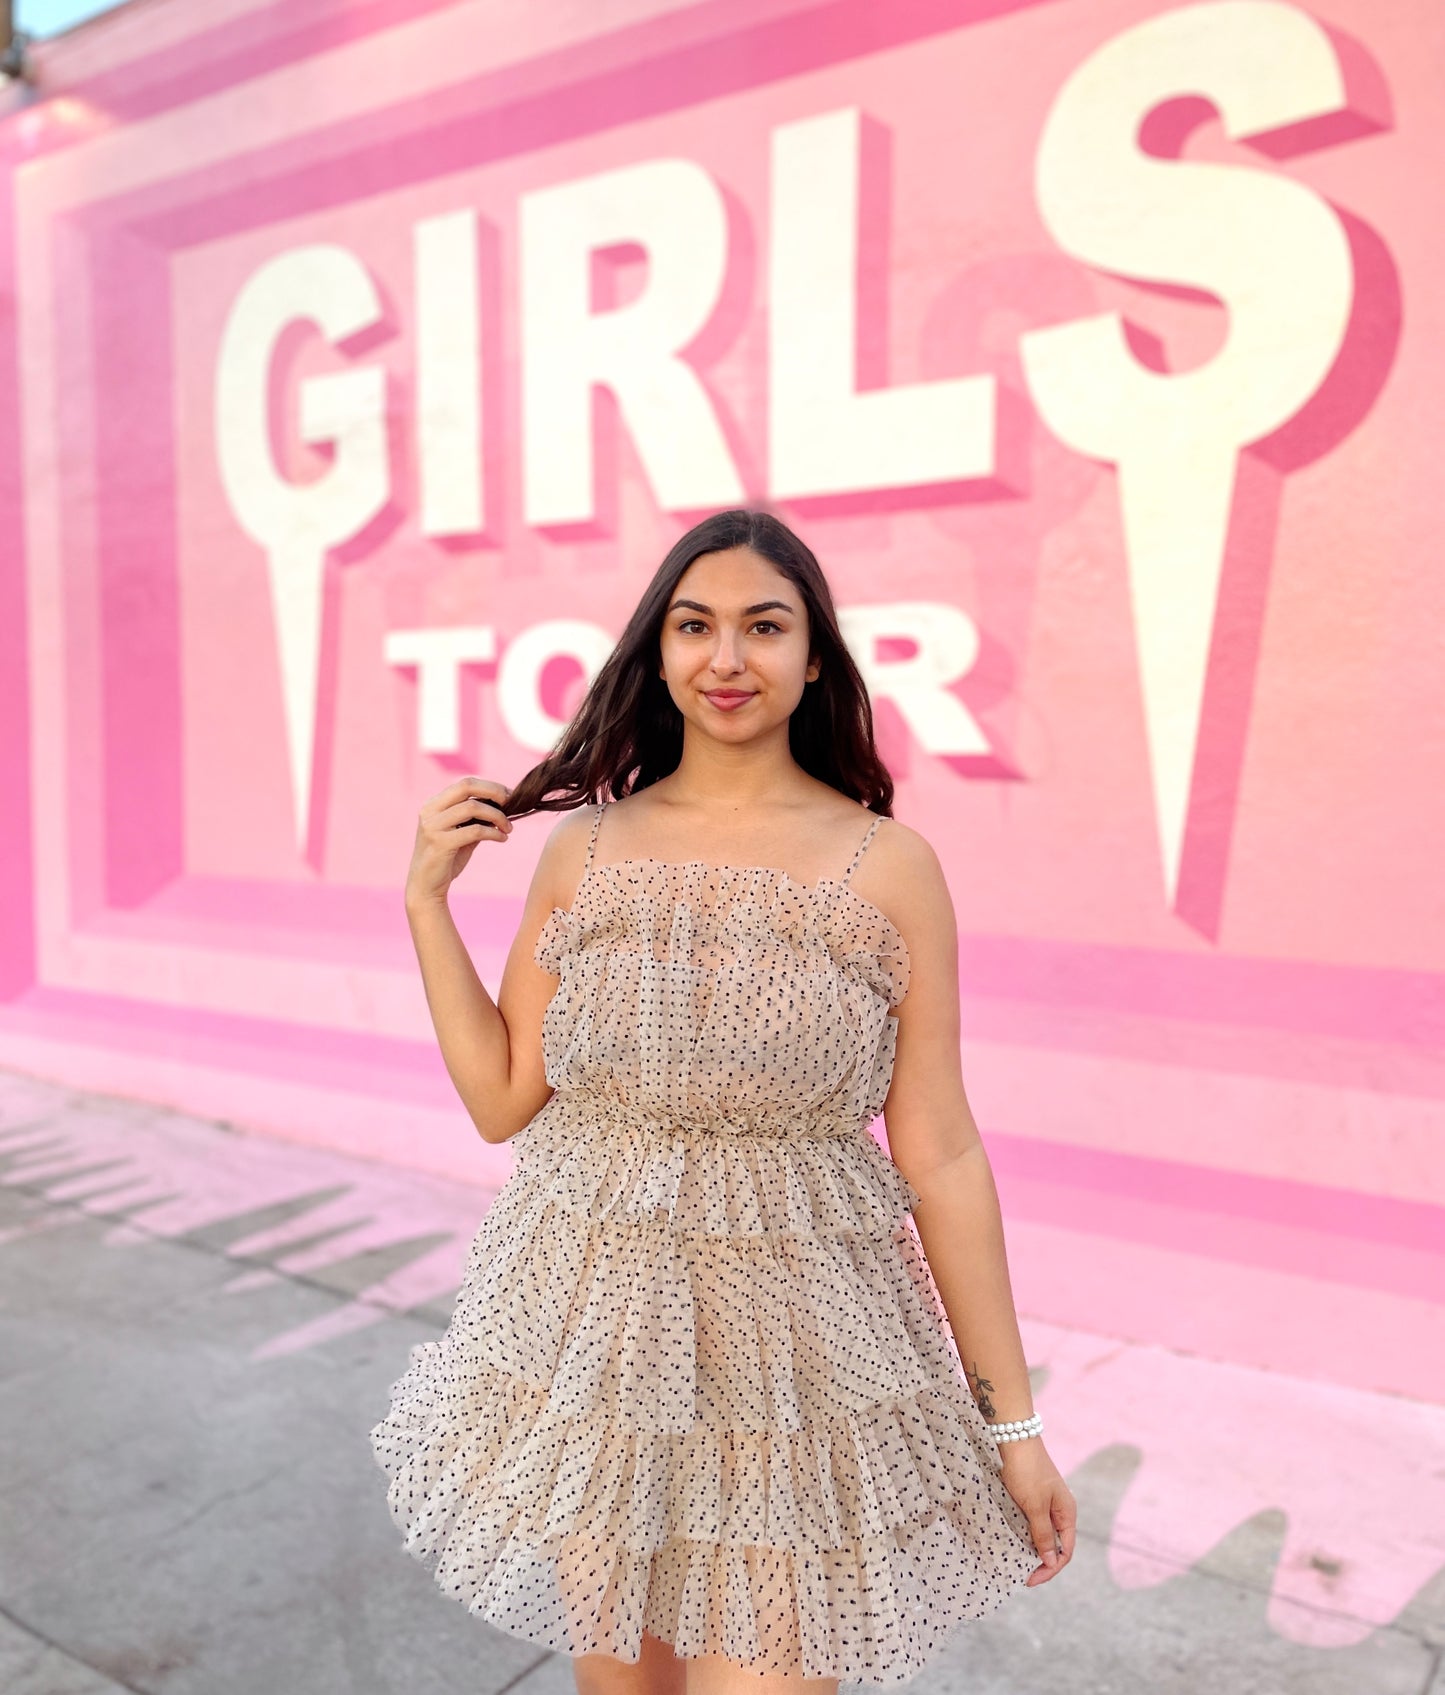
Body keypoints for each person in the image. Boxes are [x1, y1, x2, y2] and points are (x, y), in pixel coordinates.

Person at [370, 508, 1076, 1694]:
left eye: (764, 626)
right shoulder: (584, 852)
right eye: (693, 626)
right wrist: (425, 906)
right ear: (657, 653)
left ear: (814, 659)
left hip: (794, 1388)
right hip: (600, 1366)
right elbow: (501, 1098)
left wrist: (1010, 1428)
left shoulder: (885, 865)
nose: (727, 658)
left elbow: (940, 1150)